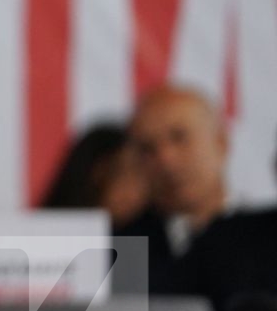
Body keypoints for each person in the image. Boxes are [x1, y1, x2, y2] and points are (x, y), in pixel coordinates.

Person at [116, 85, 231, 293]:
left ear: (221, 142)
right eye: (147, 148)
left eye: (180, 137)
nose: (165, 160)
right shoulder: (118, 251)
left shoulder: (268, 237)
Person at [40, 122, 145, 226]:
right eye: (119, 172)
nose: (133, 188)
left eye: (139, 173)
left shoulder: (151, 232)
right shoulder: (46, 232)